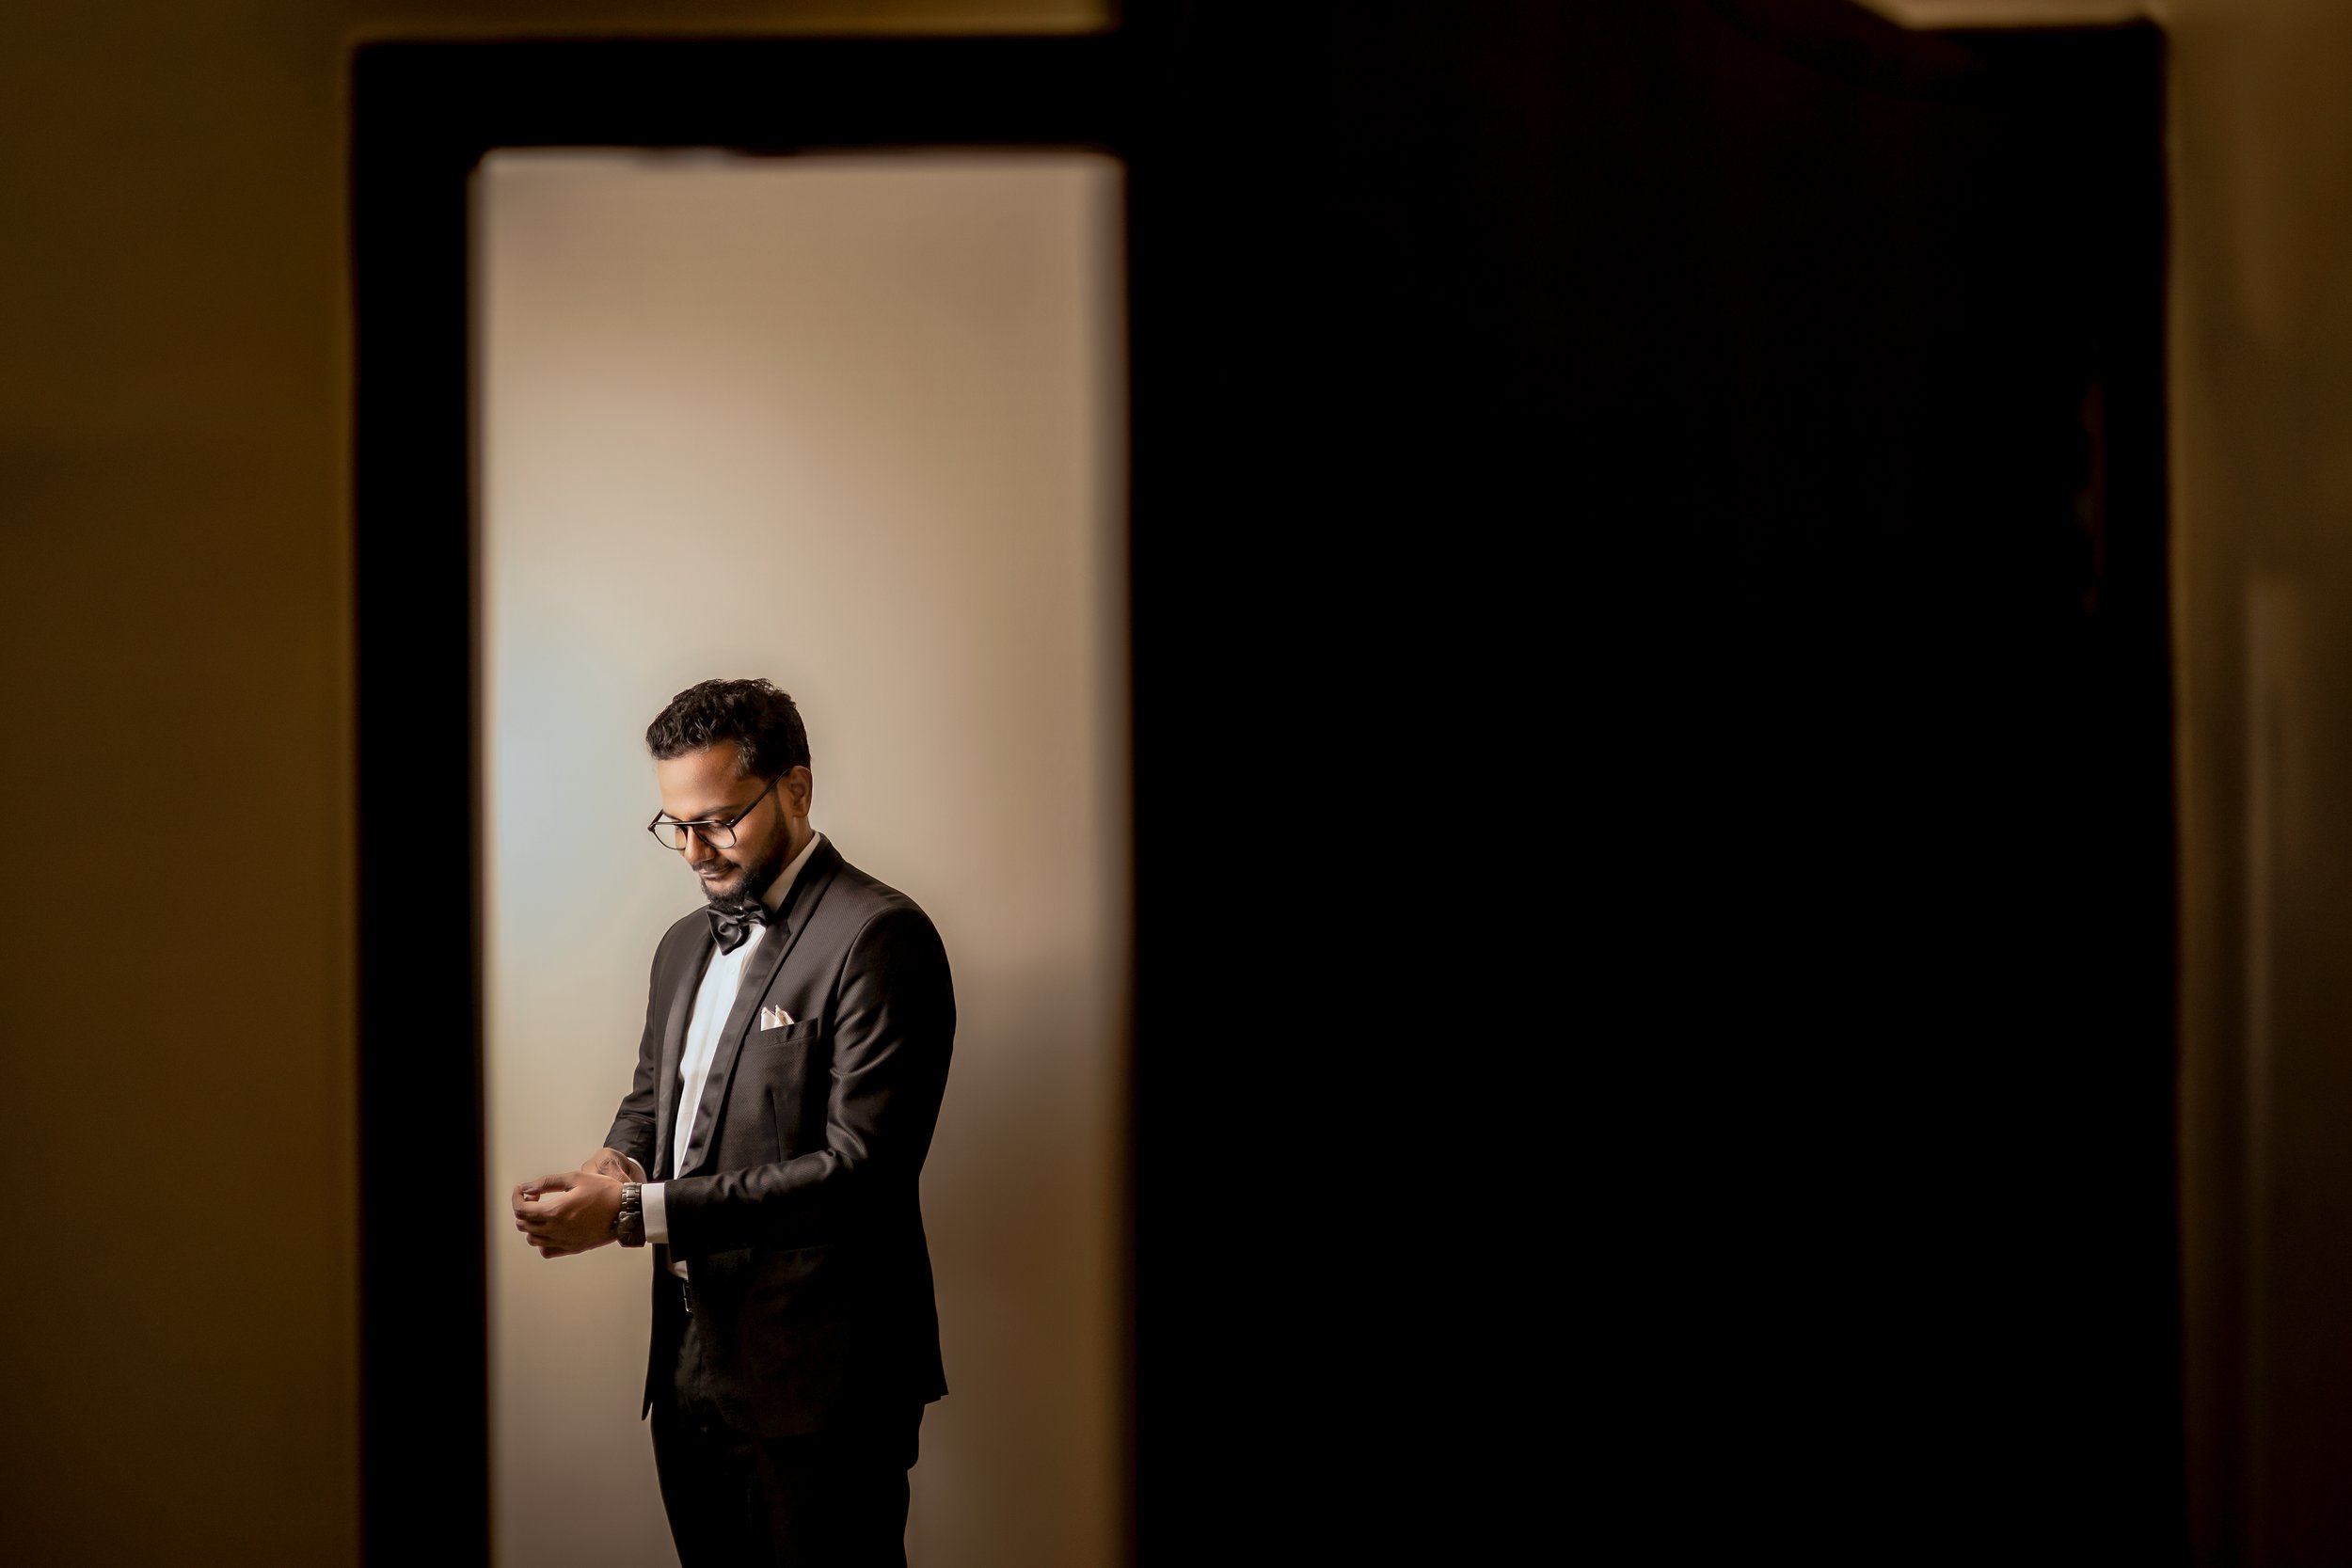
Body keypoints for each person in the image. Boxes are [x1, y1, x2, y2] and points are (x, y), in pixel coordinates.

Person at [511, 676, 955, 1568]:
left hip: (827, 1381)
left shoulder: (881, 936)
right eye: (672, 824)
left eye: (719, 819)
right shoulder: (681, 942)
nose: (691, 848)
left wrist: (638, 1216)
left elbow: (860, 1172)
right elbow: (651, 1100)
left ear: (796, 788)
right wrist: (613, 1168)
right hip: (684, 1362)